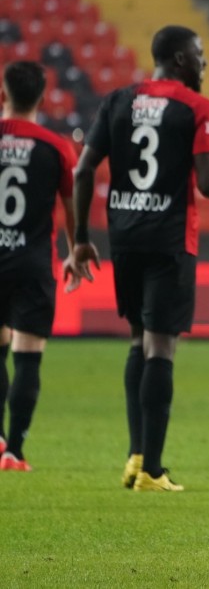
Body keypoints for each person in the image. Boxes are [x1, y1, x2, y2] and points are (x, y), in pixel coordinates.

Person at [71, 26, 209, 492]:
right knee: (162, 347)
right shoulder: (197, 107)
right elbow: (208, 184)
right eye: (200, 55)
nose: (204, 63)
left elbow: (83, 169)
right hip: (169, 239)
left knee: (137, 340)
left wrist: (80, 239)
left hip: (124, 237)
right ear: (181, 59)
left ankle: (135, 457)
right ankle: (152, 469)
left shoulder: (117, 101)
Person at [0, 61, 90, 471]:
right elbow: (71, 210)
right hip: (32, 264)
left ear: (4, 94)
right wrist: (74, 251)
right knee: (29, 356)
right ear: (41, 98)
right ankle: (15, 451)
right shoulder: (56, 147)